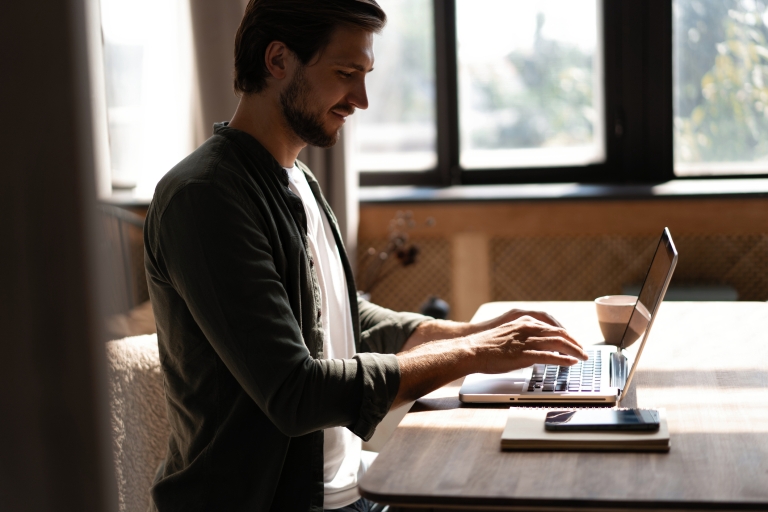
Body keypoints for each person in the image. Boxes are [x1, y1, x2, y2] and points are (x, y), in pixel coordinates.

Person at [143, 1, 588, 510]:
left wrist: (471, 333)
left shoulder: (296, 178)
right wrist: (474, 353)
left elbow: (339, 316)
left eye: (365, 75)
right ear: (278, 60)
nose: (361, 99)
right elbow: (295, 393)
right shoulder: (204, 198)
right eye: (345, 73)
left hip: (352, 487)